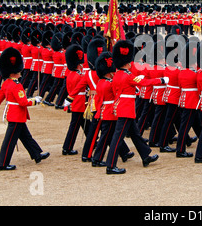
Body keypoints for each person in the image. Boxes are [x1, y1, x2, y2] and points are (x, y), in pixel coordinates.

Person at [105, 39, 166, 174]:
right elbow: (143, 82)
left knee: (135, 134)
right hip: (125, 108)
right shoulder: (127, 76)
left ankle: (145, 156)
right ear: (127, 63)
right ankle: (110, 165)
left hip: (124, 107)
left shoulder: (117, 75)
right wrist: (161, 80)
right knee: (118, 138)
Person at [0, 47, 49, 170]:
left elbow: (0, 96)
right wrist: (34, 101)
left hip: (13, 114)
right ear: (15, 72)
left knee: (26, 137)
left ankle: (37, 154)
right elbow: (23, 102)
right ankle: (3, 163)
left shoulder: (6, 83)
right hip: (17, 116)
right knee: (9, 141)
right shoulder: (17, 85)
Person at [90, 51, 133, 167]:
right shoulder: (109, 83)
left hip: (104, 111)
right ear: (109, 72)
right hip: (110, 112)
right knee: (106, 137)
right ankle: (97, 159)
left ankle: (124, 153)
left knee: (111, 135)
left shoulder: (100, 82)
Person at [62, 44, 91, 156]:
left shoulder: (70, 74)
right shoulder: (79, 76)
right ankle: (67, 148)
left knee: (86, 125)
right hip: (79, 103)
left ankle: (94, 142)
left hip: (75, 102)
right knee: (74, 127)